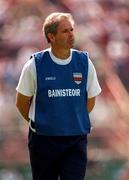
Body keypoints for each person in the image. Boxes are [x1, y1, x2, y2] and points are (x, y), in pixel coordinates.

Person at [16, 12, 101, 180]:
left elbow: (91, 99)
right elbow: (22, 102)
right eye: (65, 31)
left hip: (75, 139)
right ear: (51, 36)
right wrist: (43, 123)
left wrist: (72, 121)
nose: (71, 34)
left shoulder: (85, 63)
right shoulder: (34, 65)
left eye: (72, 30)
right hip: (43, 140)